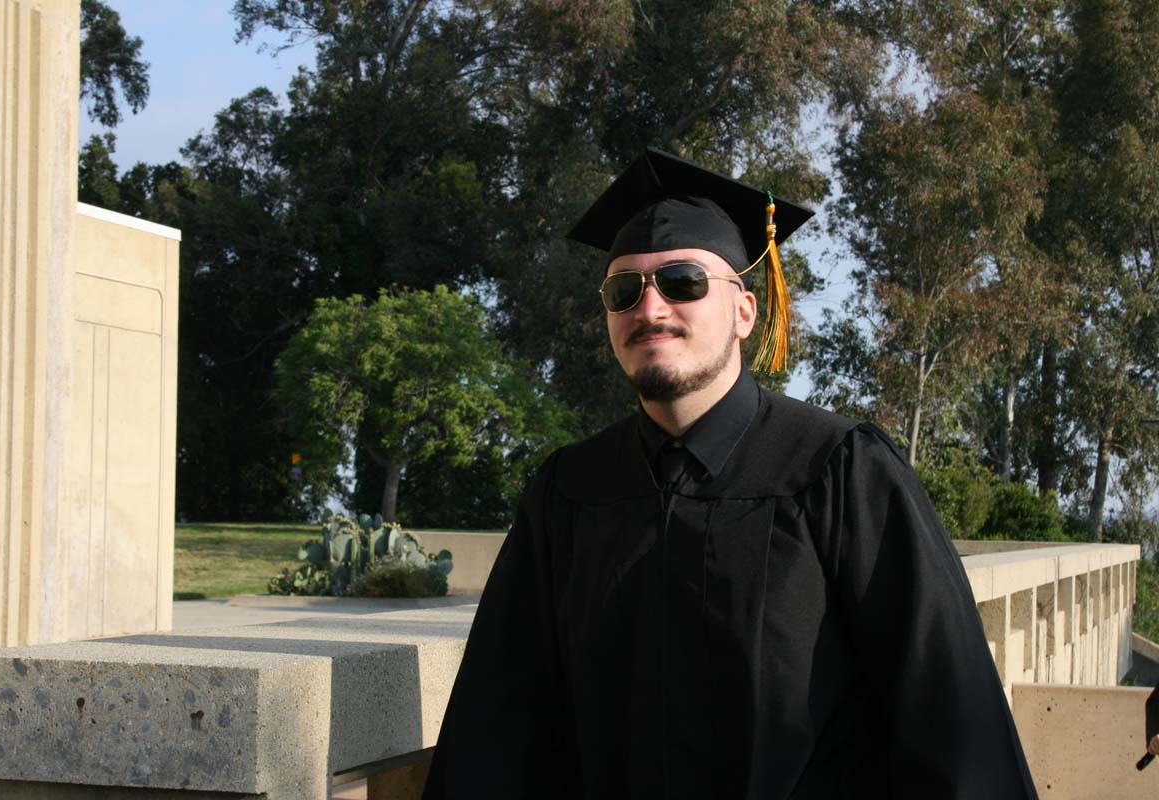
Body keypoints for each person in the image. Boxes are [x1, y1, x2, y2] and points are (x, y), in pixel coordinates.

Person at [423, 148, 1038, 798]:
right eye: (623, 290)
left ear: (745, 311)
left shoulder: (838, 470)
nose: (650, 308)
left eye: (683, 281)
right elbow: (497, 726)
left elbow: (950, 723)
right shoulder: (568, 493)